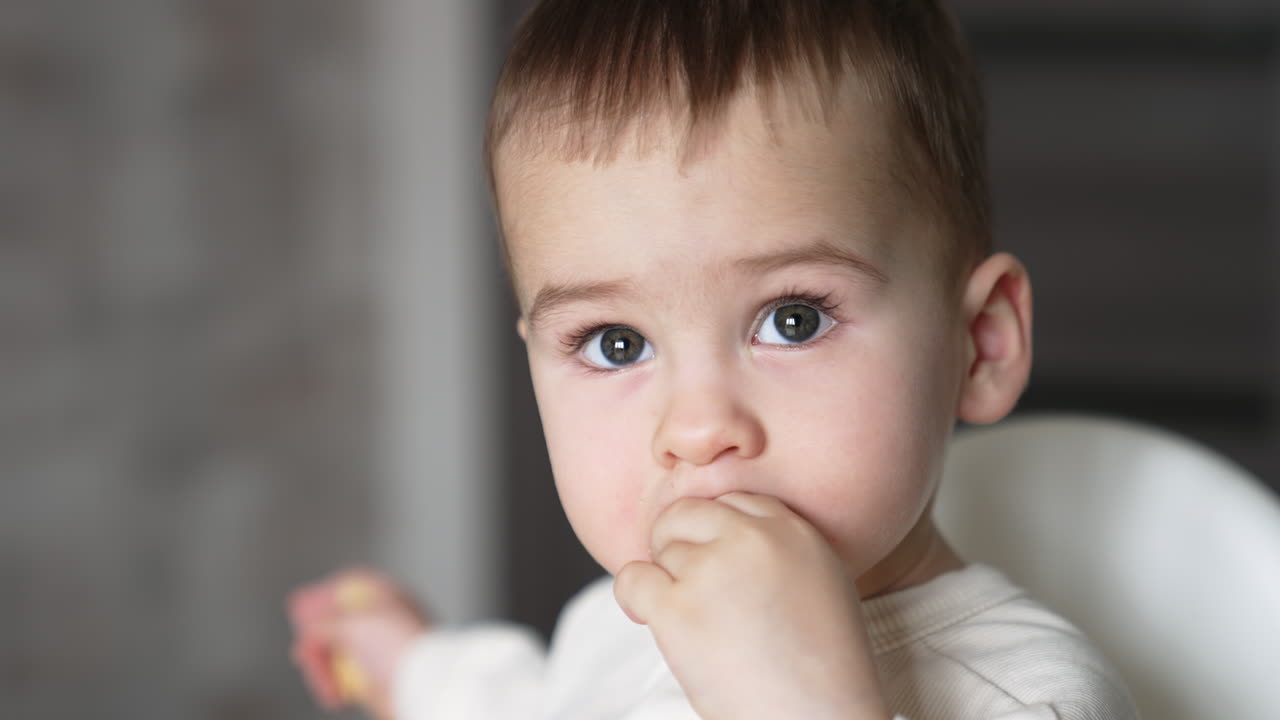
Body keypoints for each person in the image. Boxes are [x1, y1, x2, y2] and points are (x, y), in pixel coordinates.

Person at [287, 1, 1139, 717]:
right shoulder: (624, 620)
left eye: (793, 320)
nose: (696, 430)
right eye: (616, 344)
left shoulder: (1029, 696)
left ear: (979, 345)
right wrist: (417, 668)